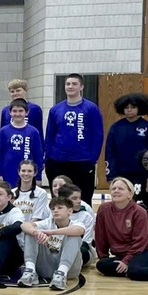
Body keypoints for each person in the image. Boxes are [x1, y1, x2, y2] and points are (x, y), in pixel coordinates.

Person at [44, 73, 104, 204]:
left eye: (74, 84)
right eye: (68, 84)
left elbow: (98, 135)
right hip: (57, 160)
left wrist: (92, 159)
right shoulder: (56, 109)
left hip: (82, 161)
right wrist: (48, 158)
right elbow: (49, 135)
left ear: (81, 86)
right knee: (59, 200)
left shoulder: (91, 108)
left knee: (83, 199)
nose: (70, 86)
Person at [18, 196, 86, 290]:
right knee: (31, 232)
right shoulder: (47, 222)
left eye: (60, 208)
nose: (55, 211)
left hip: (69, 270)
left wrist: (50, 232)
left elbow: (79, 230)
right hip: (46, 266)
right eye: (53, 208)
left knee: (74, 235)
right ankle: (30, 271)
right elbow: (24, 225)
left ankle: (61, 274)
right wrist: (36, 232)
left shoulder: (76, 223)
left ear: (69, 211)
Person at [105, 92, 148, 189]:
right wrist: (110, 174)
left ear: (139, 108)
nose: (129, 110)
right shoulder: (116, 127)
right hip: (120, 172)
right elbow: (110, 152)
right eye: (126, 108)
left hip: (142, 172)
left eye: (133, 107)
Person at [0, 99, 44, 188]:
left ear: (27, 112)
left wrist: (38, 176)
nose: (17, 114)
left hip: (27, 174)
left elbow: (38, 155)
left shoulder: (33, 132)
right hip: (8, 172)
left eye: (21, 111)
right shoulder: (3, 132)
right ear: (10, 113)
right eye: (14, 111)